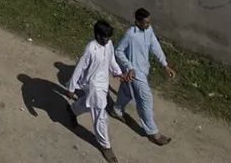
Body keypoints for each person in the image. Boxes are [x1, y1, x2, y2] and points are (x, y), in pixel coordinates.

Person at [111, 8, 177, 147]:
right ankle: (153, 133)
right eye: (145, 23)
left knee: (127, 90)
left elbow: (155, 46)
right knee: (145, 100)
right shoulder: (130, 34)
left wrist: (165, 65)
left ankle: (117, 110)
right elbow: (118, 51)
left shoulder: (149, 30)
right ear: (137, 21)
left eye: (149, 22)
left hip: (144, 69)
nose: (148, 24)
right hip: (135, 72)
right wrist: (129, 67)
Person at [66, 20, 129, 163]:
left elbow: (111, 60)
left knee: (90, 104)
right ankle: (106, 146)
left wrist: (119, 73)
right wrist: (71, 88)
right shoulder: (90, 49)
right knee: (100, 115)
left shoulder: (109, 44)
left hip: (103, 83)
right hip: (92, 84)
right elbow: (79, 68)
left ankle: (72, 110)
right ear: (97, 35)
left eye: (109, 37)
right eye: (105, 37)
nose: (107, 40)